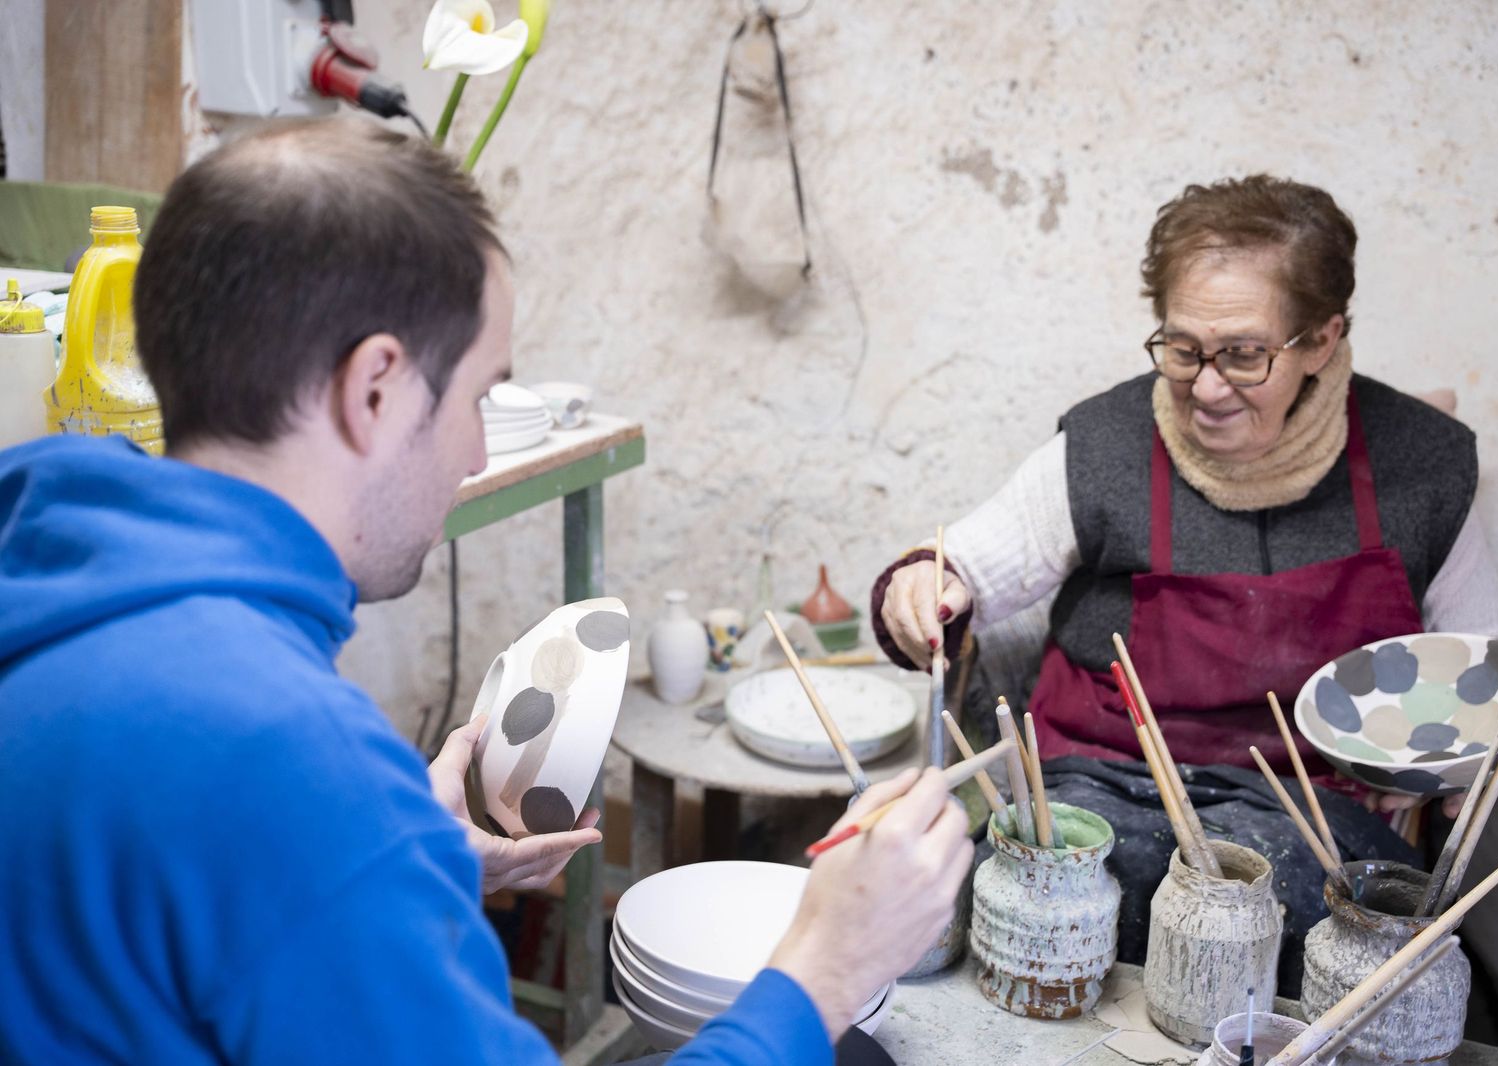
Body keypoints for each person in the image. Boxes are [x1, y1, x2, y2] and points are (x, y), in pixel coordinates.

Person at [0, 119, 972, 1065]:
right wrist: (823, 971)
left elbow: (178, 927)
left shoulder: (56, 588)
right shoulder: (286, 759)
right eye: (478, 395)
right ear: (374, 386)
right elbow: (259, 823)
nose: (472, 451)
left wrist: (406, 866)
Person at [869, 175, 1498, 993]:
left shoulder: (1418, 464)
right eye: (1182, 349)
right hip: (1102, 784)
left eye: (1244, 354)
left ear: (1322, 340)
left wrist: (1472, 765)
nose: (1206, 387)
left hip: (1312, 812)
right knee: (1055, 912)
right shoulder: (1107, 443)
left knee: (1301, 931)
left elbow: (1488, 667)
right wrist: (927, 585)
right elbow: (966, 562)